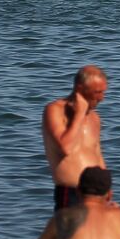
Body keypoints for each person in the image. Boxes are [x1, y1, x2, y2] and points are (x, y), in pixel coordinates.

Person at [42, 65, 109, 210]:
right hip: (71, 192)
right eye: (97, 92)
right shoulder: (55, 110)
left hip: (98, 194)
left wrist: (107, 187)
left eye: (103, 92)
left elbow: (97, 153)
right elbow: (65, 148)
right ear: (80, 88)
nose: (101, 98)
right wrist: (79, 114)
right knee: (70, 233)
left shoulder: (95, 119)